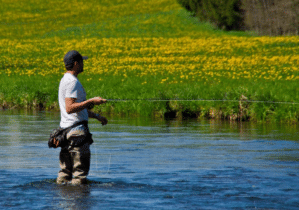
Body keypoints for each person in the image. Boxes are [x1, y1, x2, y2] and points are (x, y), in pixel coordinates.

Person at [57, 50, 108, 185]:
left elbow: (77, 110)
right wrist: (91, 101)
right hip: (77, 134)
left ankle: (63, 201)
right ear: (76, 64)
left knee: (64, 174)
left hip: (66, 133)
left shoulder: (65, 80)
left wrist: (97, 116)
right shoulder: (72, 82)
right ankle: (79, 204)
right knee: (79, 176)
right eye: (81, 61)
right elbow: (70, 108)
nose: (83, 63)